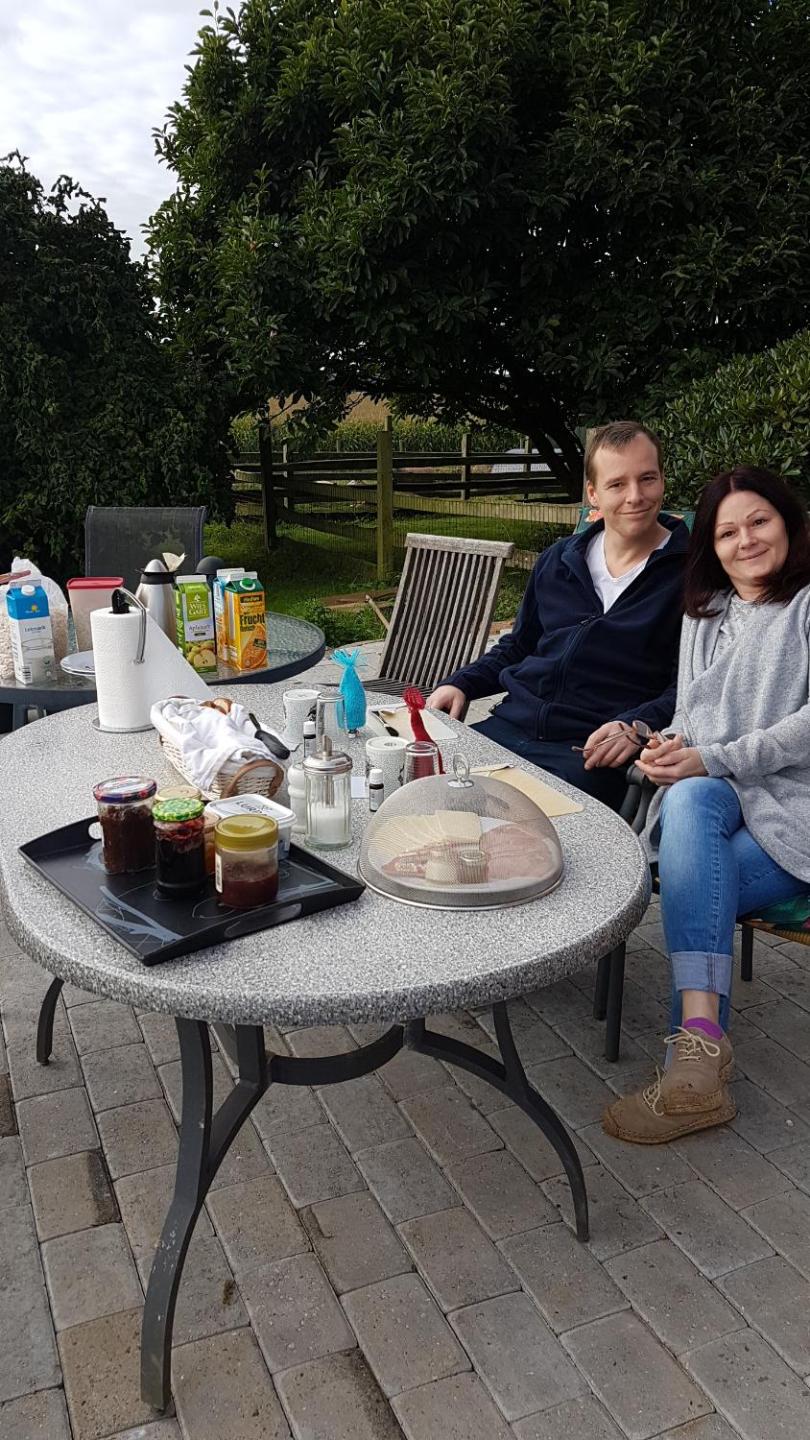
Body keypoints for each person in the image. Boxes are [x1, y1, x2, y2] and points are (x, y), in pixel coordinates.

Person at [603, 466, 810, 1144]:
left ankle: (691, 1065)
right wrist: (667, 745)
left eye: (759, 521)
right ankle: (697, 1058)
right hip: (717, 798)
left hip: (796, 808)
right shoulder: (706, 615)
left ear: (788, 522)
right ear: (712, 548)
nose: (745, 540)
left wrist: (710, 759)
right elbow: (694, 718)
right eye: (726, 532)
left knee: (695, 882)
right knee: (689, 797)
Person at [426, 422, 690, 809]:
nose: (635, 496)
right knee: (423, 794)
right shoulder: (559, 559)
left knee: (508, 830)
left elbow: (689, 686)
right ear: (593, 494)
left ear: (663, 480)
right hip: (507, 726)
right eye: (617, 484)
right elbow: (519, 646)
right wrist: (462, 684)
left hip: (588, 752)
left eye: (647, 479)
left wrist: (637, 726)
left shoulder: (693, 576)